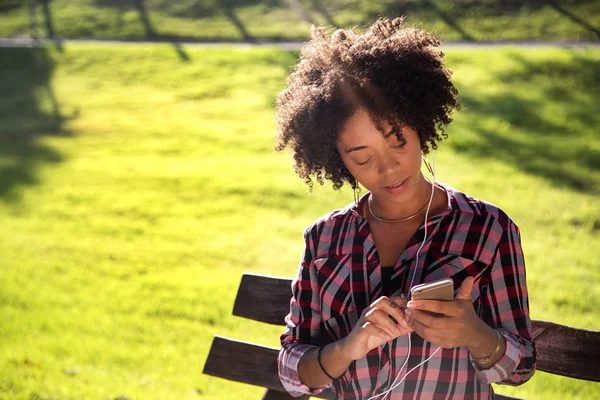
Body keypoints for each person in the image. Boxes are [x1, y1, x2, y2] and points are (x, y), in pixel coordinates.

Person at [274, 17, 536, 400]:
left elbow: (521, 368)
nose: (388, 168)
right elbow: (293, 372)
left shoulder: (488, 229)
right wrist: (349, 345)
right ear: (337, 159)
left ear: (420, 125)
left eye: (398, 142)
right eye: (362, 159)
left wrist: (474, 334)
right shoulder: (325, 238)